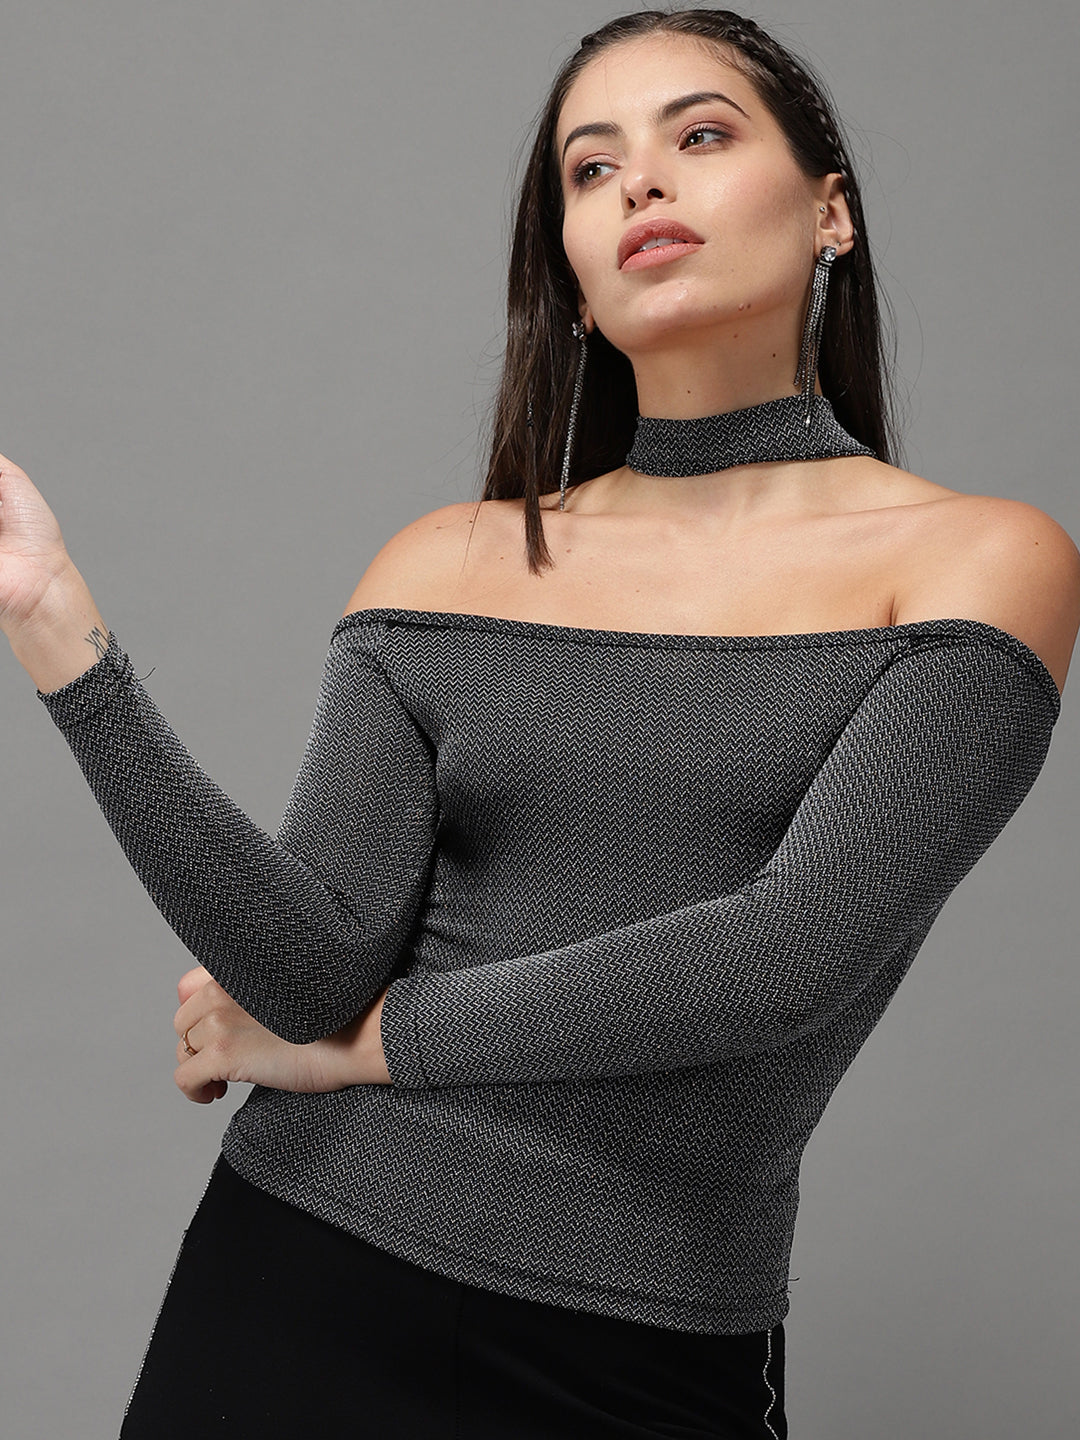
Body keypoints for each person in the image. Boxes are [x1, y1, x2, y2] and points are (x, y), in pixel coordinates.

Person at [1, 7, 1077, 1438]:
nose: (643, 183)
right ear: (569, 271)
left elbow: (783, 959)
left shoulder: (977, 562)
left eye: (701, 135)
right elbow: (307, 966)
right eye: (592, 168)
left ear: (832, 212)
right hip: (295, 1275)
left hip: (636, 1348)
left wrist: (363, 1049)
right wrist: (57, 630)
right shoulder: (447, 562)